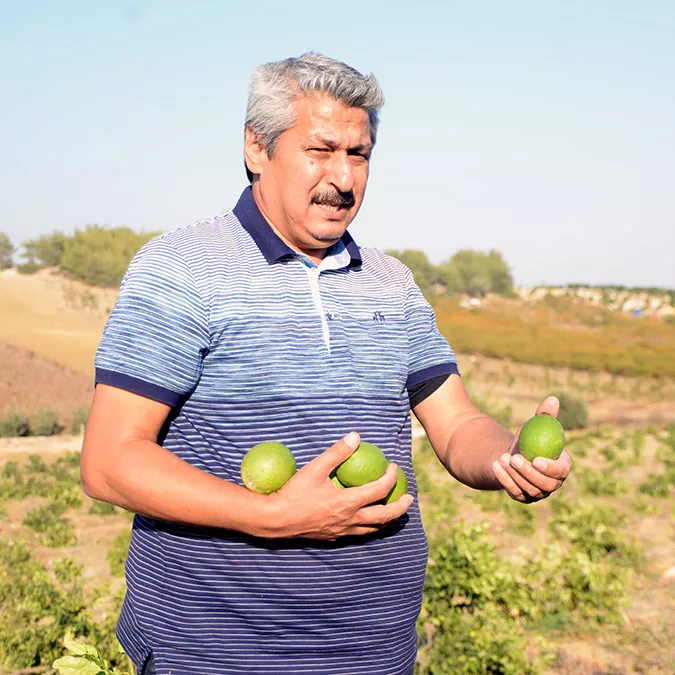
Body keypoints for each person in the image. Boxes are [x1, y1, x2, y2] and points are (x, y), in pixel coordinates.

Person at [81, 52, 572, 675]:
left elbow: (456, 424)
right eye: (320, 150)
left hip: (375, 651)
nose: (343, 177)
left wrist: (508, 459)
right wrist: (272, 516)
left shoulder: (391, 284)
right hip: (219, 652)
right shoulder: (180, 272)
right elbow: (108, 461)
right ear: (257, 149)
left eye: (359, 154)